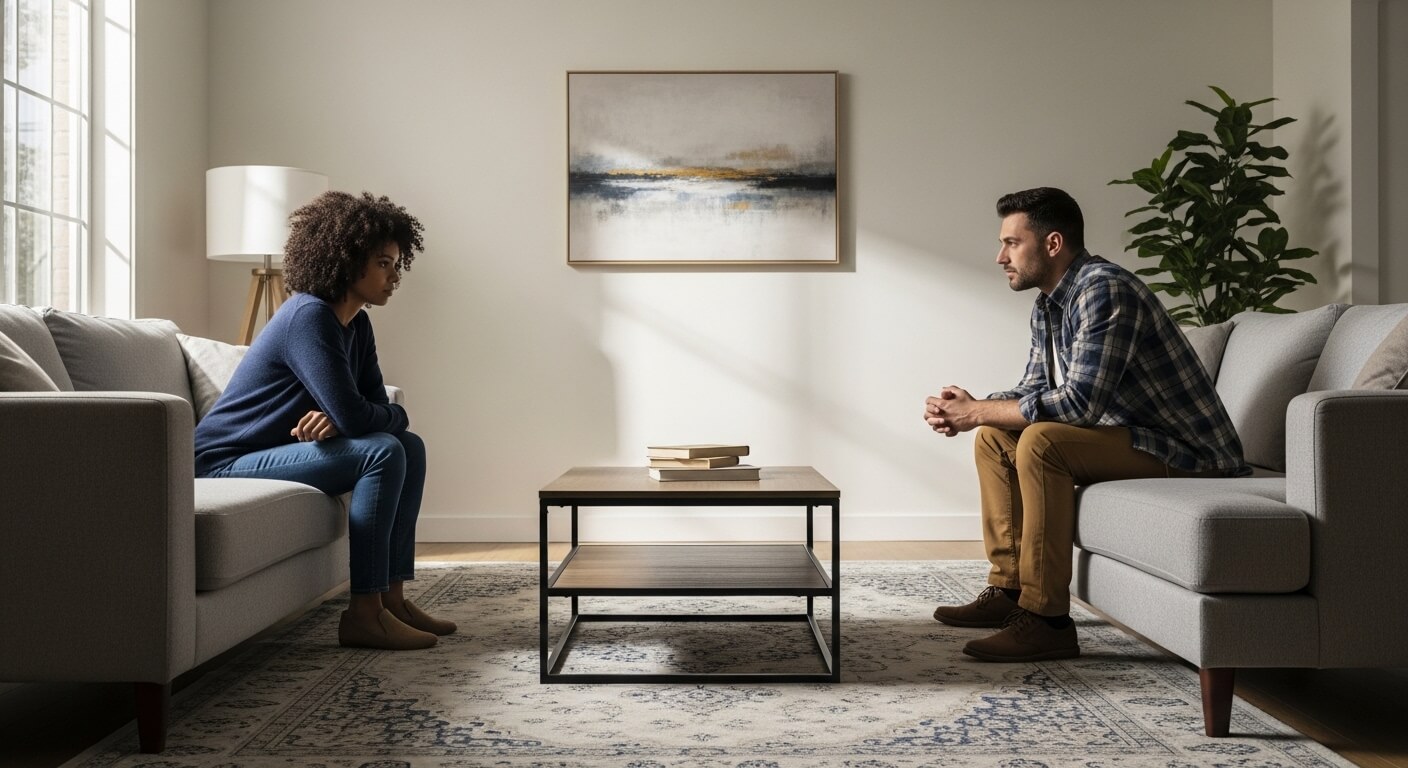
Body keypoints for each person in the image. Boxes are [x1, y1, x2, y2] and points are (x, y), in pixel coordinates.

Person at [924, 187, 1247, 662]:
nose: (1000, 256)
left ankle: (1047, 620)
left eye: (1012, 243)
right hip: (1133, 439)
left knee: (1042, 443)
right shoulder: (1049, 305)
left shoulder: (1104, 289)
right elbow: (1032, 389)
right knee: (996, 437)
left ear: (1052, 244)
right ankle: (1009, 589)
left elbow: (1079, 406)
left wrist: (975, 412)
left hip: (1189, 453)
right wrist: (973, 407)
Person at [195, 190, 453, 651]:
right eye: (383, 263)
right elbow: (359, 417)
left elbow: (370, 410)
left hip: (273, 452)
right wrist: (352, 418)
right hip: (225, 460)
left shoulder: (357, 325)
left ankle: (392, 599)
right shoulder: (308, 317)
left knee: (408, 444)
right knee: (383, 450)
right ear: (346, 259)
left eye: (397, 264)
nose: (394, 277)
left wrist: (350, 418)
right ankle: (364, 612)